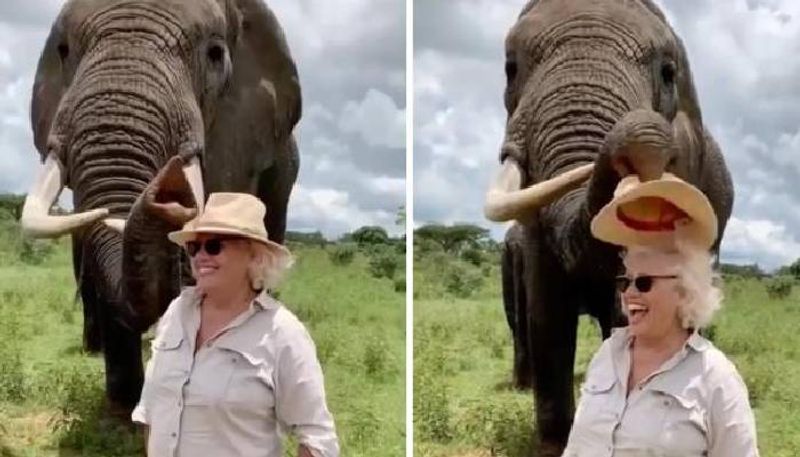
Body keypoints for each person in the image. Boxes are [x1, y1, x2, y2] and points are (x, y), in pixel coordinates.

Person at [562, 174, 758, 457]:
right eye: (624, 281)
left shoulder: (716, 378)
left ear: (684, 290)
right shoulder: (608, 354)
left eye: (644, 282)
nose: (629, 293)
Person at [132, 192, 339, 457]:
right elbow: (153, 413)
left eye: (215, 246)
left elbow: (317, 437)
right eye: (195, 247)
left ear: (255, 256)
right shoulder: (177, 312)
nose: (200, 257)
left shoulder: (282, 333)